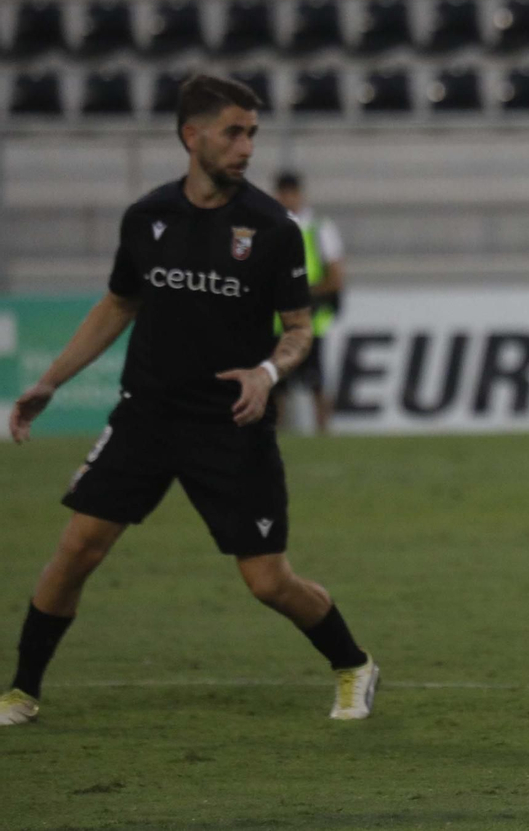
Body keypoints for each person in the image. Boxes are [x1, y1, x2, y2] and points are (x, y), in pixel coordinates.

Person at [1, 75, 378, 727]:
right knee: (77, 547)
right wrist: (51, 380)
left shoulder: (272, 228)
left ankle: (354, 664)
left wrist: (266, 371)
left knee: (267, 581)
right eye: (234, 132)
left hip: (231, 423)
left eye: (253, 133)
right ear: (191, 136)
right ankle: (21, 689)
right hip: (145, 415)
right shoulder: (147, 219)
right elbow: (119, 303)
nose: (247, 147)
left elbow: (296, 332)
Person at [271, 171, 345, 435]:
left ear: (299, 194)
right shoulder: (271, 228)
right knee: (276, 382)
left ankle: (323, 433)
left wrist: (303, 294)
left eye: (290, 192)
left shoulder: (318, 228)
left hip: (310, 319)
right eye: (282, 193)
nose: (286, 198)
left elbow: (336, 276)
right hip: (277, 322)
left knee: (316, 381)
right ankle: (274, 439)